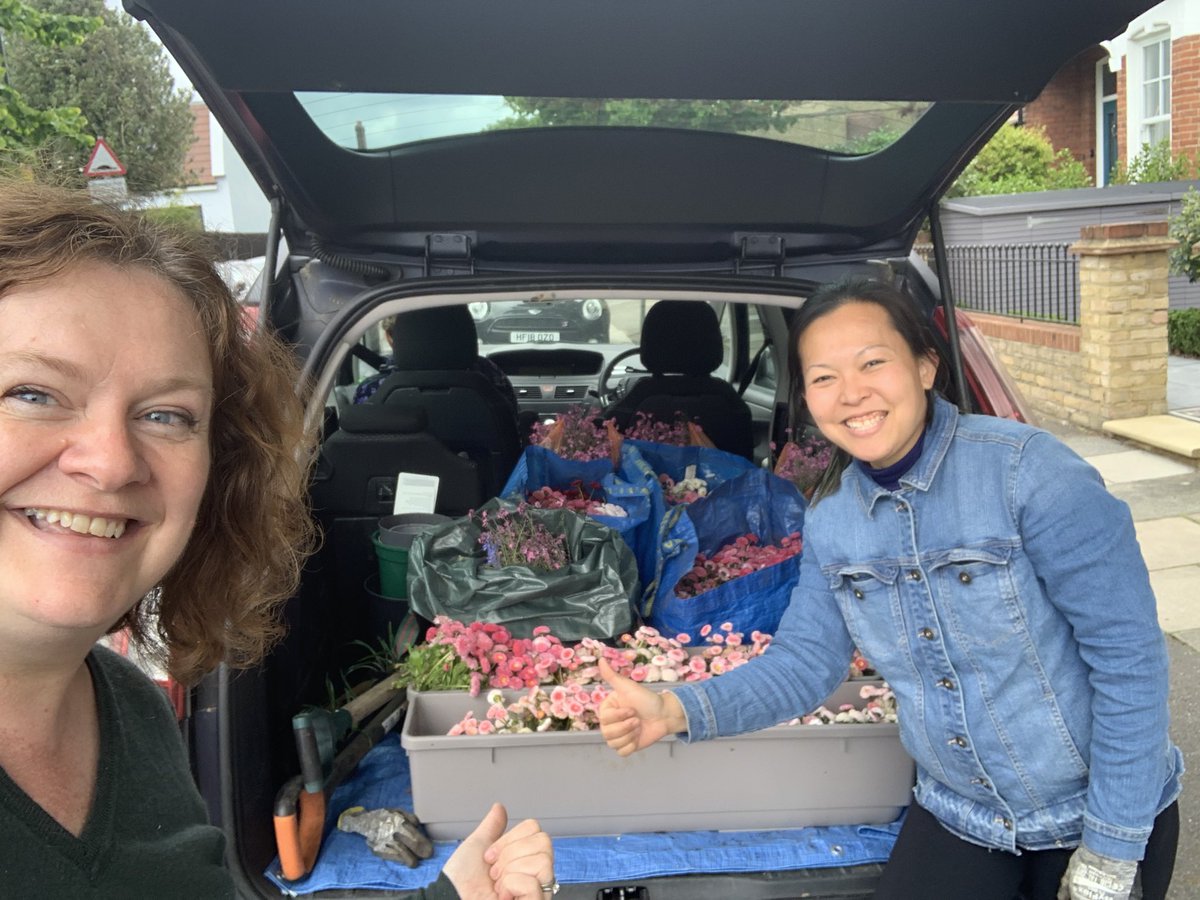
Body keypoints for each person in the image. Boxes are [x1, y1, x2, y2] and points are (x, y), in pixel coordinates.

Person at [0, 178, 554, 899]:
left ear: (221, 466)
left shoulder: (126, 707)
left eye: (167, 415)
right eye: (32, 395)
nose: (109, 463)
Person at [598, 276, 1181, 900]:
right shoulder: (833, 523)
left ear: (926, 366)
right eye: (823, 377)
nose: (852, 394)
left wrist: (1112, 850)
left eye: (873, 362)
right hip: (960, 817)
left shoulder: (1027, 472)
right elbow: (802, 665)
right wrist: (676, 708)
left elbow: (1128, 658)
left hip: (1092, 812)